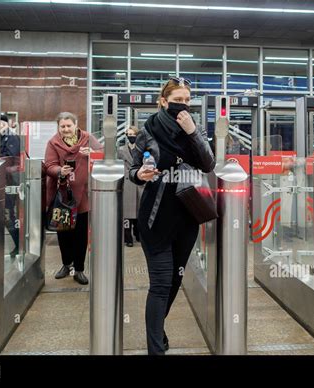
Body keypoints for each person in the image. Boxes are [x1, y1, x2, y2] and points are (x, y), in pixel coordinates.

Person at [129, 77, 215, 355]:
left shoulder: (195, 128)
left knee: (176, 280)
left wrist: (192, 133)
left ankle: (157, 327)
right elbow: (133, 167)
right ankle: (156, 349)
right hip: (156, 216)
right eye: (178, 100)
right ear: (163, 101)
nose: (184, 105)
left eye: (188, 101)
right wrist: (138, 174)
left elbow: (208, 163)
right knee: (161, 284)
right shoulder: (149, 130)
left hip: (187, 215)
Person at [44, 112, 103, 285]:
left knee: (80, 234)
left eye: (69, 125)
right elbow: (49, 165)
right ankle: (65, 264)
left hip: (83, 196)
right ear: (58, 127)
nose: (66, 129)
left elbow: (103, 154)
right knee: (63, 233)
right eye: (62, 126)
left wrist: (91, 153)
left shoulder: (88, 138)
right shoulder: (53, 142)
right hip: (62, 196)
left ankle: (79, 269)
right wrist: (59, 171)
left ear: (76, 125)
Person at [118, 126, 143, 247]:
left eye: (133, 134)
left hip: (139, 182)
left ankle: (138, 235)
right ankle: (128, 238)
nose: (131, 136)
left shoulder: (142, 149)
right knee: (127, 213)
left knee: (139, 211)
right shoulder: (121, 150)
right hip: (127, 183)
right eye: (129, 134)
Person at [0, 114, 21, 257]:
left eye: (2, 123)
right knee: (5, 215)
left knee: (8, 215)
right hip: (0, 181)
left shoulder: (11, 137)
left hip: (10, 182)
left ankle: (19, 245)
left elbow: (12, 158)